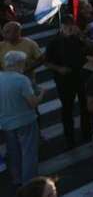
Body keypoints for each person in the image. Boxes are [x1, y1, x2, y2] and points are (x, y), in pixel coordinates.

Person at [43, 16, 91, 148]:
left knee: (85, 106)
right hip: (64, 80)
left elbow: (88, 48)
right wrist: (59, 68)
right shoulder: (54, 42)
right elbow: (47, 62)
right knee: (67, 109)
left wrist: (81, 35)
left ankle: (86, 132)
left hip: (80, 76)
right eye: (67, 26)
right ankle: (69, 138)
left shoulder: (76, 38)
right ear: (62, 27)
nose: (69, 29)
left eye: (71, 26)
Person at [0, 51, 46, 187]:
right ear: (19, 63)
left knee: (13, 151)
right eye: (24, 63)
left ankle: (16, 178)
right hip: (25, 121)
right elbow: (33, 103)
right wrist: (42, 93)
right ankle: (30, 183)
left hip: (6, 123)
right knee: (29, 152)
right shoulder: (22, 80)